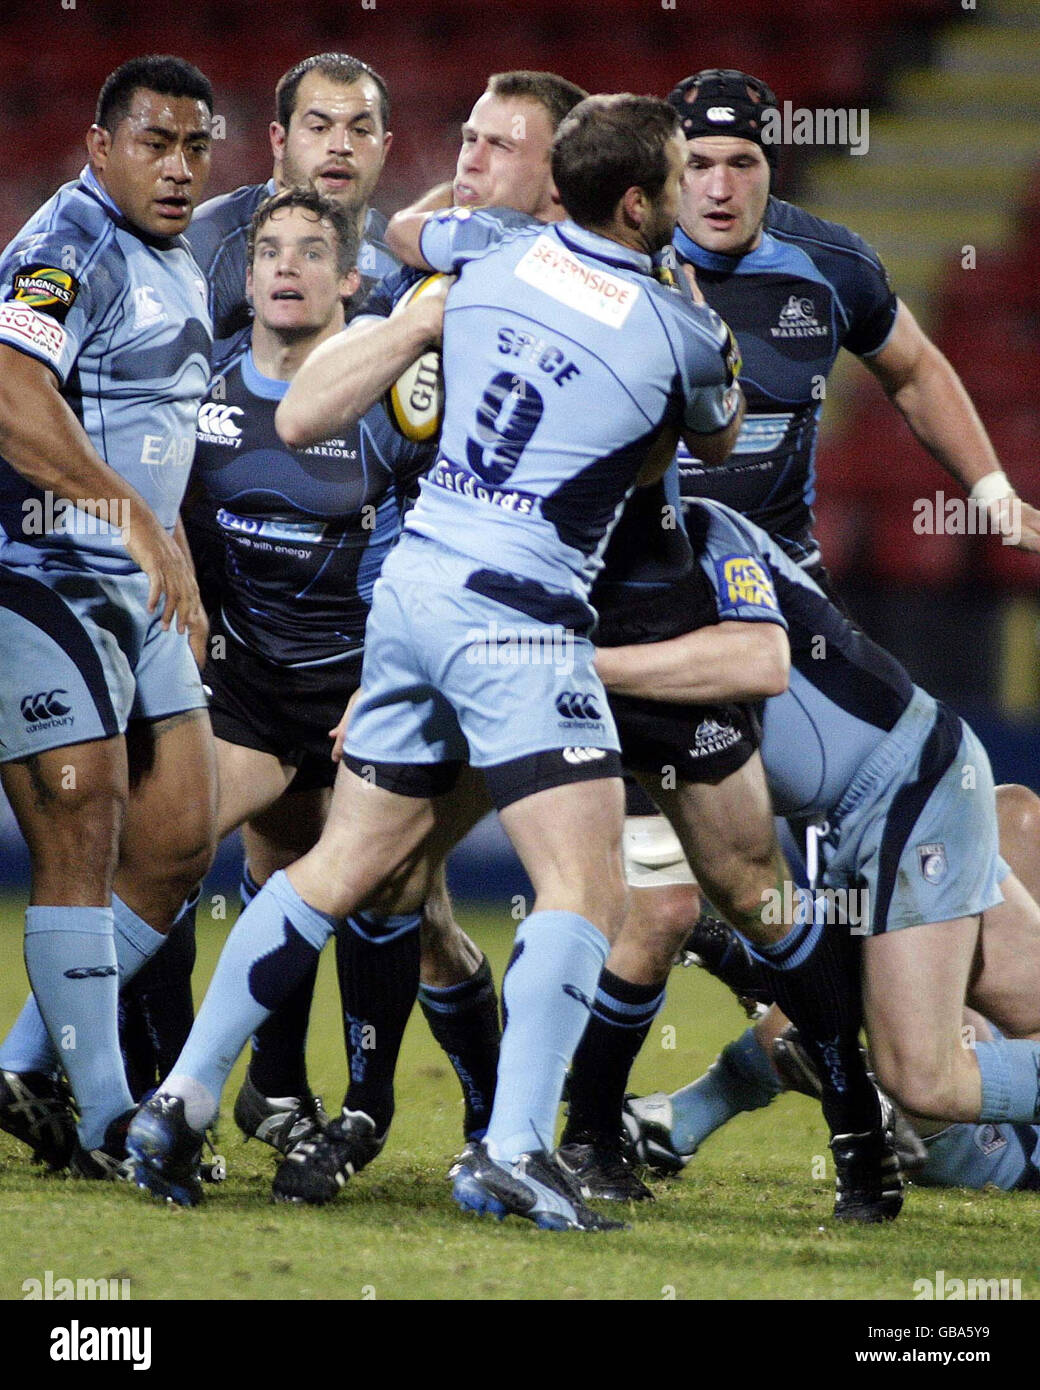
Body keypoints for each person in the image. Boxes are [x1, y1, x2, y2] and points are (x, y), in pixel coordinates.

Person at [281, 67, 889, 1222]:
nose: (468, 160)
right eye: (466, 139)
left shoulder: (704, 291)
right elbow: (411, 224)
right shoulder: (489, 248)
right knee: (394, 870)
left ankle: (854, 1129)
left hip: (641, 607)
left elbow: (705, 432)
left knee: (742, 886)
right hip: (505, 616)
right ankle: (463, 1119)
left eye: (496, 143)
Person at [126, 93, 743, 1229]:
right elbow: (712, 433)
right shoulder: (677, 329)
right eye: (673, 181)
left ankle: (177, 1101)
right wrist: (691, 315)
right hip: (519, 611)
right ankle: (511, 1146)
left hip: (413, 590)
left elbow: (414, 231)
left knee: (337, 864)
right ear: (639, 203)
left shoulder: (483, 253)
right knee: (586, 884)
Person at [572, 496, 1040, 1208]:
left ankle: (684, 1111)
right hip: (897, 785)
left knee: (918, 1069)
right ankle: (687, 1097)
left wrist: (570, 664)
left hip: (909, 787)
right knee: (1013, 831)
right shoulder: (695, 533)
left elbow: (760, 662)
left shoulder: (698, 531)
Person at [186, 186, 497, 1180]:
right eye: (268, 250)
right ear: (246, 277)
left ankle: (423, 1113)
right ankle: (145, 1084)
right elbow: (184, 542)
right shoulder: (206, 396)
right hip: (256, 692)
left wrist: (393, 676)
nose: (285, 266)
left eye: (311, 252)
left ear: (352, 280)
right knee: (166, 852)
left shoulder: (399, 397)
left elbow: (444, 543)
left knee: (402, 901)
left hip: (384, 686)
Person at [0, 55, 217, 1175]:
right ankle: (104, 1122)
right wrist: (135, 517)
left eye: (194, 147)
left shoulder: (172, 261)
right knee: (81, 828)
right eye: (154, 143)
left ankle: (20, 1064)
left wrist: (166, 541)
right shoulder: (64, 245)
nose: (177, 168)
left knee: (180, 835)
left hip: (141, 578)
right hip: (43, 569)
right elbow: (9, 393)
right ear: (99, 146)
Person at [625, 791, 1040, 1194]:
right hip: (983, 1051)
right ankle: (791, 993)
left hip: (1008, 1140)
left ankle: (776, 992)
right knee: (1010, 814)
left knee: (894, 963)